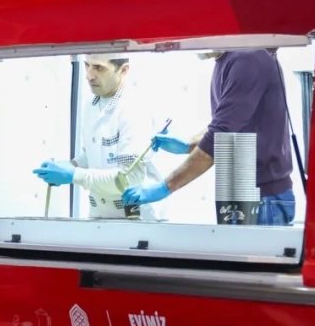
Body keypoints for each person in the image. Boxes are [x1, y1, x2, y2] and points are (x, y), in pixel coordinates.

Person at [122, 48, 296, 224]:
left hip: (262, 196)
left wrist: (165, 187)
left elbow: (219, 137)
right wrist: (189, 144)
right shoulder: (227, 59)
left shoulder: (247, 58)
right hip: (239, 194)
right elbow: (227, 123)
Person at [31, 54, 166, 220]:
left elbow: (129, 178)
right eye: (87, 65)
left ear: (123, 70)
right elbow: (93, 154)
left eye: (99, 68)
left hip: (138, 218)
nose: (89, 75)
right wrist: (69, 165)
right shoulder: (92, 105)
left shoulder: (134, 108)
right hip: (100, 215)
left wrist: (73, 175)